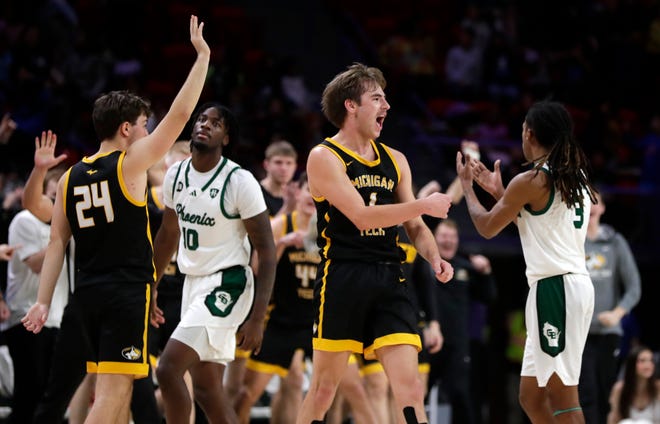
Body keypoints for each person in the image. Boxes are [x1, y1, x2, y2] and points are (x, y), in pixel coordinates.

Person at [21, 15, 210, 424]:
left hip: (85, 295)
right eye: (144, 125)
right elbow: (180, 116)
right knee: (112, 395)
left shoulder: (71, 175)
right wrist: (202, 59)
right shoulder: (129, 163)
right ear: (126, 129)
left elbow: (57, 243)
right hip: (125, 293)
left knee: (115, 396)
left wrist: (41, 301)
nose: (149, 132)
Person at [296, 62, 454, 424]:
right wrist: (425, 204)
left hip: (389, 277)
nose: (387, 106)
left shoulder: (395, 160)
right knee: (322, 390)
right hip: (343, 276)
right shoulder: (324, 157)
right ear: (351, 105)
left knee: (411, 388)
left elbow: (414, 226)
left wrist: (433, 258)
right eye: (377, 98)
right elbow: (361, 217)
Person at [457, 100, 598, 422]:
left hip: (556, 289)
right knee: (531, 396)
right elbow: (539, 224)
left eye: (522, 130)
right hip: (566, 285)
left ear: (530, 134)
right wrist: (501, 194)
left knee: (564, 396)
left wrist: (467, 188)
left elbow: (487, 227)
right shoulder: (576, 177)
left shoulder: (532, 180)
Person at [151, 102, 277, 423]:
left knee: (167, 369)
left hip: (228, 284)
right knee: (207, 391)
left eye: (215, 123)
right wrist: (150, 285)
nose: (205, 125)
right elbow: (168, 235)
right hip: (192, 284)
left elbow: (266, 249)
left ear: (225, 138)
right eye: (201, 119)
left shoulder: (239, 181)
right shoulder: (176, 175)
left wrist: (257, 318)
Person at [1, 165, 67, 424]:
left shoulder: (66, 229)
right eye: (51, 198)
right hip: (24, 317)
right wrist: (65, 234)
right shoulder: (24, 220)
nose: (55, 205)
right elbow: (38, 265)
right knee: (30, 392)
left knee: (50, 395)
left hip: (57, 318)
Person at [423, 218, 496, 424]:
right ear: (434, 238)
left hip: (457, 345)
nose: (448, 241)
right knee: (418, 394)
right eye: (444, 236)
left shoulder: (465, 266)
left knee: (459, 395)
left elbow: (488, 297)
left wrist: (486, 272)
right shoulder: (425, 267)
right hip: (428, 342)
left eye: (452, 237)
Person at [579, 191, 642, 424]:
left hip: (608, 333)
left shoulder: (615, 242)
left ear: (603, 208)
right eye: (584, 201)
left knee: (606, 389)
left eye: (595, 201)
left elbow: (634, 287)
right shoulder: (570, 241)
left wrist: (617, 314)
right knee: (585, 390)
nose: (590, 205)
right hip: (579, 331)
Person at [607, 345, 660, 424]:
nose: (648, 365)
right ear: (632, 364)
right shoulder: (620, 389)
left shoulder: (658, 388)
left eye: (651, 360)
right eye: (642, 361)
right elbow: (613, 419)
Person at [259, 139, 298, 218]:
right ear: (266, 165)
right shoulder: (255, 192)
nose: (284, 168)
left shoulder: (296, 195)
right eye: (278, 162)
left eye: (289, 163)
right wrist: (288, 207)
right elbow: (263, 230)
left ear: (295, 167)